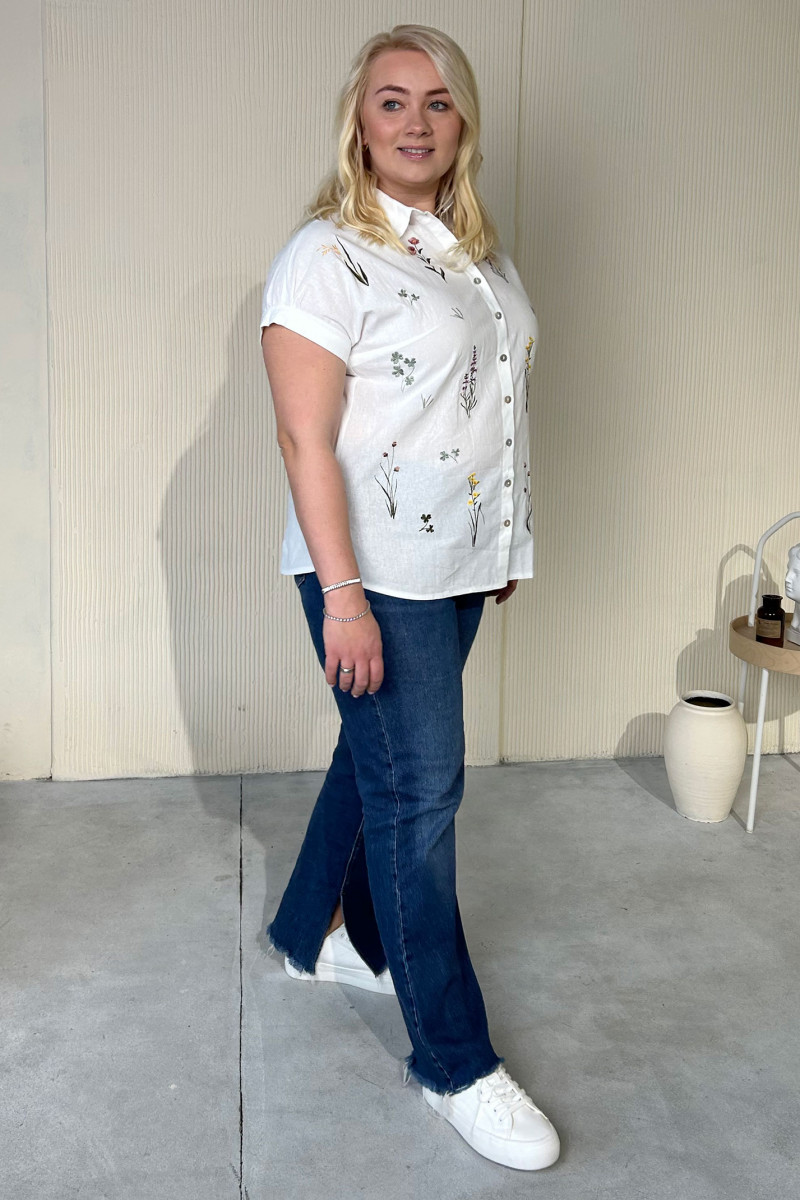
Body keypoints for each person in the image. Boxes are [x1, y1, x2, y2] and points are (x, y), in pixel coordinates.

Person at [259, 24, 560, 1172]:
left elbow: (489, 407)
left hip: (456, 566)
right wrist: (340, 595)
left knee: (379, 760)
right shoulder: (325, 256)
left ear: (461, 121)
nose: (415, 121)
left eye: (437, 101)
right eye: (392, 100)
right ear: (359, 120)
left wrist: (502, 538)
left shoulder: (473, 255)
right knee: (419, 798)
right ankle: (452, 1062)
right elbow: (304, 438)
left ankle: (312, 934)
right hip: (372, 572)